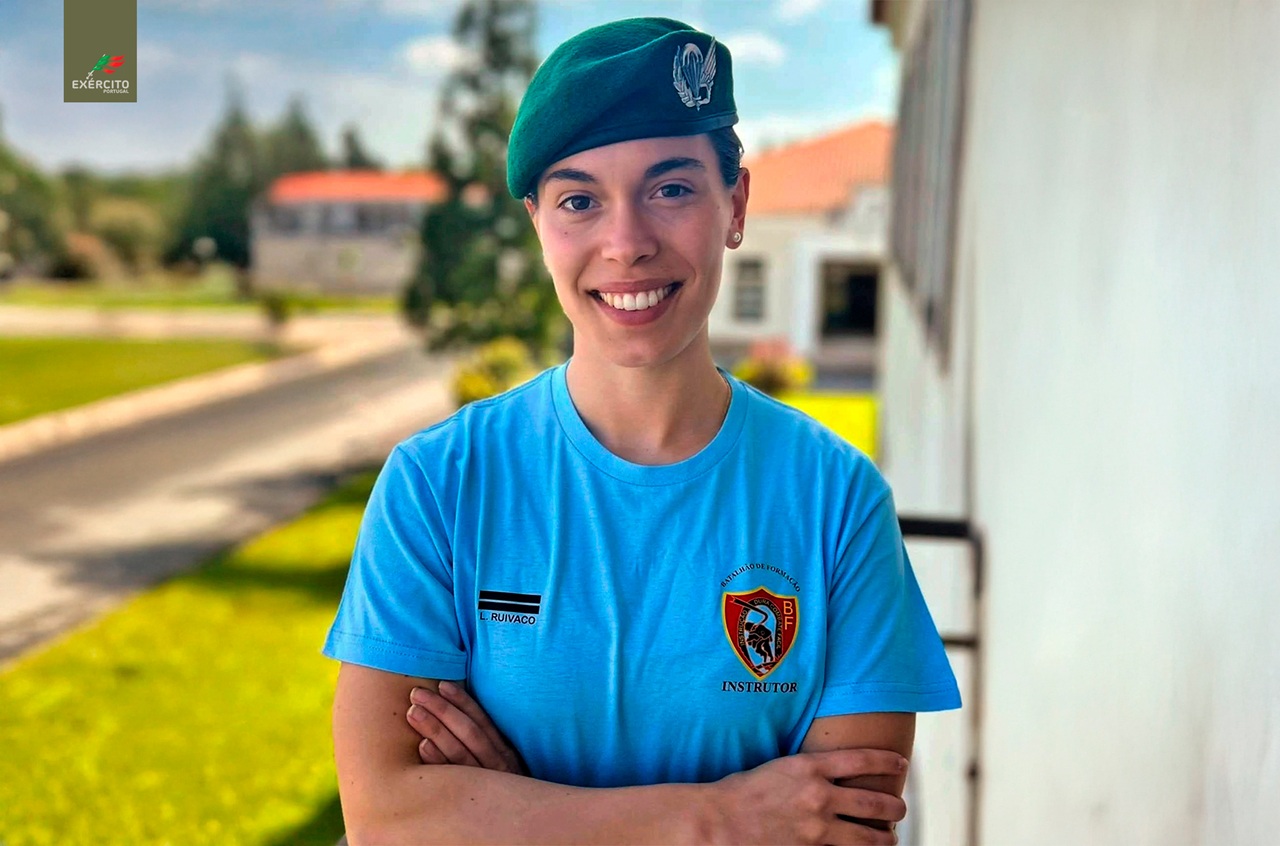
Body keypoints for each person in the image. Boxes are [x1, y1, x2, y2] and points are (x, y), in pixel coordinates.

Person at [323, 16, 960, 845]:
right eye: (579, 200)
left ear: (735, 205)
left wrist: (516, 811)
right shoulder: (440, 487)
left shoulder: (835, 501)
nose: (625, 245)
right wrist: (719, 817)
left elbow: (842, 830)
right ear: (538, 223)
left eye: (671, 189)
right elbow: (385, 820)